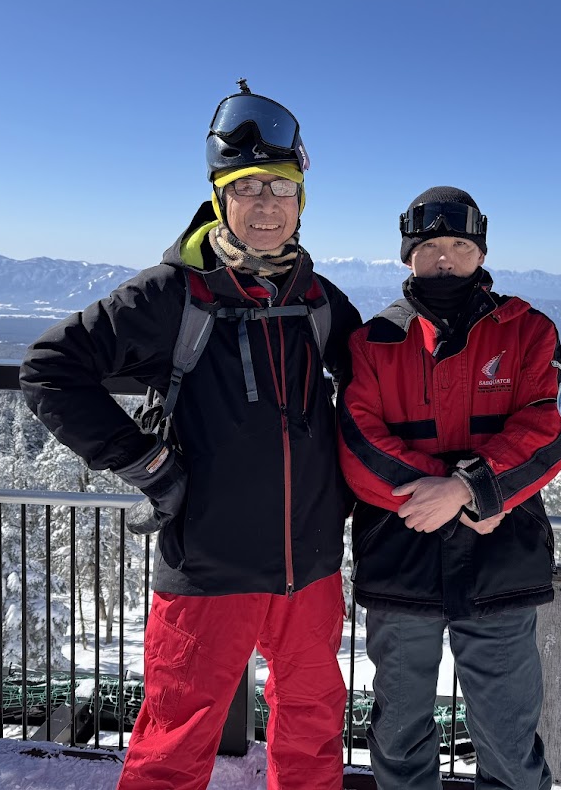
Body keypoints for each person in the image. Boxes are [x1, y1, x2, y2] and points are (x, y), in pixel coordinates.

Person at [20, 81, 361, 790]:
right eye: (247, 188)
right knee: (177, 736)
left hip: (311, 564)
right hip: (207, 561)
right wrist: (145, 463)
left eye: (281, 187)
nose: (266, 204)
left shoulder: (317, 299)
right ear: (219, 197)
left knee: (313, 725)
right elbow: (50, 367)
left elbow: (378, 387)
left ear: (301, 201)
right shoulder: (172, 295)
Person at [338, 186, 561, 790]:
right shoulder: (373, 342)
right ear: (408, 256)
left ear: (481, 253)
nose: (445, 259)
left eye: (460, 246)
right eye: (430, 247)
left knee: (508, 733)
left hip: (500, 558)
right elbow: (358, 444)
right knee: (399, 731)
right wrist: (461, 496)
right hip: (403, 557)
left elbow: (548, 430)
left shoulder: (526, 330)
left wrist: (470, 490)